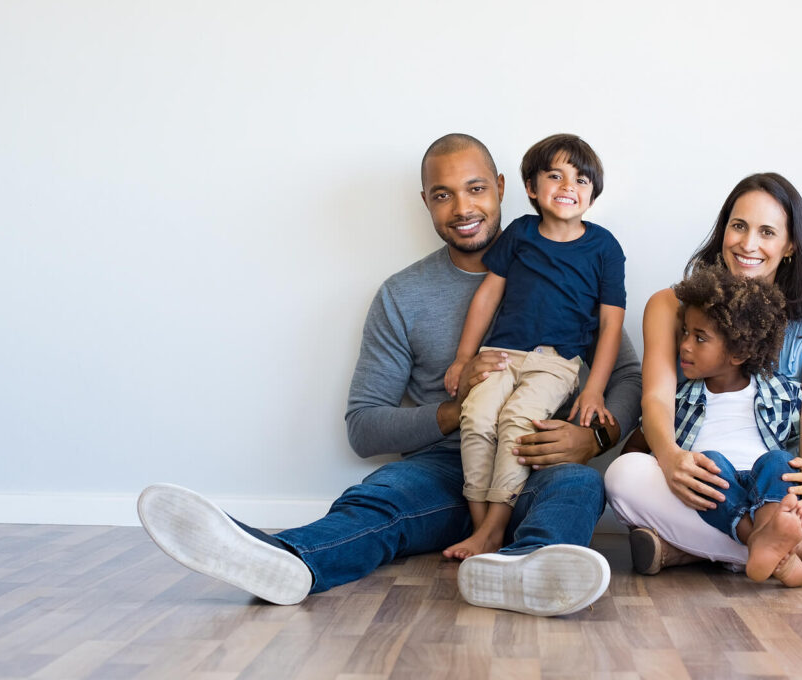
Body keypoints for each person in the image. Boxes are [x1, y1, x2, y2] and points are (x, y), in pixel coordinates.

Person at [137, 133, 643, 617]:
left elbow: (625, 375)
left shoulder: (570, 269)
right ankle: (286, 559)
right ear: (426, 202)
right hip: (443, 471)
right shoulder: (403, 295)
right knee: (380, 497)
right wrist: (456, 408)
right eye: (443, 195)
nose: (463, 209)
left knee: (578, 487)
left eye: (476, 189)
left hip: (539, 460)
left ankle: (521, 571)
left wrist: (592, 436)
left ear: (504, 189)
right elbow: (364, 427)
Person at [605, 172, 802, 588]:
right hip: (699, 482)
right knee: (625, 476)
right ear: (723, 228)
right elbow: (655, 399)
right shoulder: (671, 306)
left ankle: (690, 550)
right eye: (738, 226)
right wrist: (671, 460)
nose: (748, 244)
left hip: (777, 492)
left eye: (767, 232)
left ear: (791, 244)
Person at [441, 134, 626, 560]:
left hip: (555, 363)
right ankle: (480, 526)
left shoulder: (604, 248)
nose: (568, 186)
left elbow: (611, 325)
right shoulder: (521, 233)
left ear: (593, 195)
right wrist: (464, 357)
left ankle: (495, 528)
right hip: (501, 354)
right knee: (478, 415)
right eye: (555, 176)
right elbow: (488, 295)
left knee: (517, 420)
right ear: (530, 188)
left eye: (581, 180)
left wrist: (594, 388)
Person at [670, 263, 802, 587]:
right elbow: (648, 441)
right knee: (710, 463)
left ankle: (768, 529)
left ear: (738, 352)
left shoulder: (780, 392)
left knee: (778, 461)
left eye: (700, 338)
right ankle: (767, 546)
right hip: (719, 487)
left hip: (765, 487)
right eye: (684, 333)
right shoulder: (679, 398)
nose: (685, 345)